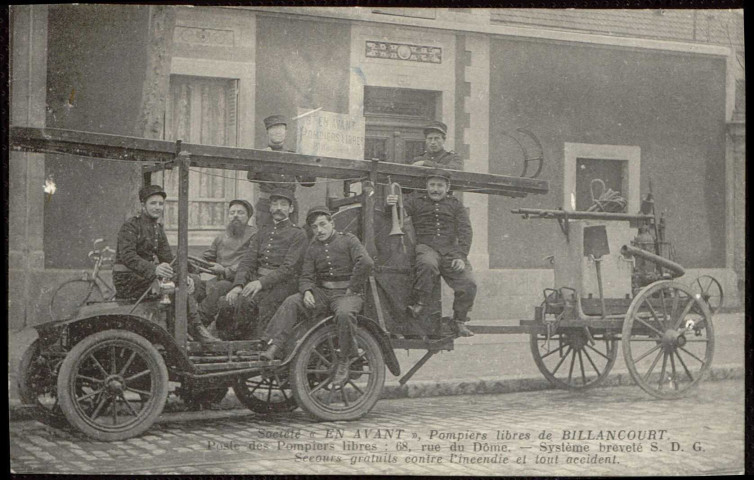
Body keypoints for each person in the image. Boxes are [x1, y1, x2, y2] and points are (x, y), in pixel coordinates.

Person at [259, 206, 374, 386]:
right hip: (323, 293)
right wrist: (307, 291)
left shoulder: (348, 240)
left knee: (344, 314)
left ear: (331, 223)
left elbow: (366, 262)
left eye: (322, 225)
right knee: (292, 301)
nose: (319, 230)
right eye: (314, 227)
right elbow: (306, 275)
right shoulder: (313, 247)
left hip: (347, 294)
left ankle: (345, 361)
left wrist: (353, 287)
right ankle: (273, 346)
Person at [113, 184, 219, 342]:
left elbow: (168, 258)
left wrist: (183, 275)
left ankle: (182, 328)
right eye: (153, 203)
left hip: (144, 276)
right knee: (176, 287)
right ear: (143, 205)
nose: (157, 207)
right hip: (128, 278)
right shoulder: (131, 226)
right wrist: (154, 269)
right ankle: (195, 329)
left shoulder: (157, 228)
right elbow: (127, 256)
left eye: (160, 204)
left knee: (194, 281)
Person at [386, 169, 476, 337]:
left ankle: (459, 321)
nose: (435, 189)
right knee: (427, 264)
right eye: (432, 185)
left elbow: (465, 231)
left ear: (447, 187)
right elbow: (397, 213)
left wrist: (461, 257)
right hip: (426, 247)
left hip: (451, 252)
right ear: (426, 186)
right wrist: (390, 203)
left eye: (440, 185)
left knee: (468, 282)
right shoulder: (415, 201)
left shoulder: (455, 205)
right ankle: (420, 302)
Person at [218, 189, 307, 340]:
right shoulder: (262, 232)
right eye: (275, 204)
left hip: (283, 285)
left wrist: (260, 282)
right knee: (229, 300)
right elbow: (248, 261)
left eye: (283, 204)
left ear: (291, 209)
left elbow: (288, 268)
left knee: (257, 302)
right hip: (257, 281)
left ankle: (256, 346)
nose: (279, 208)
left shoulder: (298, 234)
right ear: (270, 208)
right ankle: (227, 344)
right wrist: (238, 285)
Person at [197, 199, 257, 327]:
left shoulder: (254, 235)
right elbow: (208, 256)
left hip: (242, 280)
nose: (235, 215)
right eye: (232, 213)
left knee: (220, 286)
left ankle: (199, 323)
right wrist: (196, 264)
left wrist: (225, 271)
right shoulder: (221, 236)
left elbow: (250, 261)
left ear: (248, 217)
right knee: (197, 284)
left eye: (240, 213)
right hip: (221, 277)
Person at [247, 114, 315, 226]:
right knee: (264, 237)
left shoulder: (293, 156)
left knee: (290, 236)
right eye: (273, 129)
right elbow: (251, 177)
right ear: (267, 132)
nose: (278, 132)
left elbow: (308, 182)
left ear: (286, 132)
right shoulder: (261, 154)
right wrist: (262, 159)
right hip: (267, 205)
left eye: (281, 129)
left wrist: (308, 161)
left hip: (289, 205)